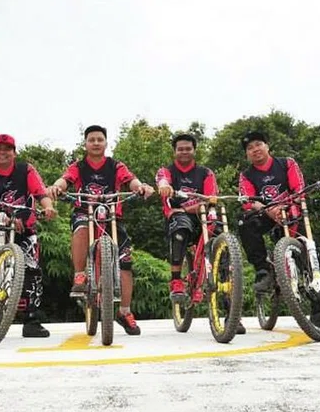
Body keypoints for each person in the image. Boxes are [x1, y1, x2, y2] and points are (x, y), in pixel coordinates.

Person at [46, 125, 154, 337]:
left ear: (106, 143)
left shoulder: (116, 165)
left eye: (99, 139)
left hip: (112, 216)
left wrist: (141, 187)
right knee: (81, 228)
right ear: (85, 144)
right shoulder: (78, 166)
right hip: (85, 212)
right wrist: (56, 187)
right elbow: (65, 180)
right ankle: (80, 275)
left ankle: (124, 311)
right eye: (91, 140)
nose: (96, 143)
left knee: (125, 261)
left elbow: (130, 180)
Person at [0, 134, 58, 338]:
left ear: (14, 153)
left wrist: (48, 207)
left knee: (33, 269)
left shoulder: (26, 170)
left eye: (7, 149)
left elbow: (41, 193)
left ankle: (32, 320)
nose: (2, 152)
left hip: (25, 228)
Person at [236, 131, 306, 294]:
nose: (255, 149)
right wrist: (269, 210)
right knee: (244, 221)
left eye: (258, 144)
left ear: (267, 146)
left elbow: (299, 189)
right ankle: (263, 270)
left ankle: (315, 289)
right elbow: (248, 201)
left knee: (306, 251)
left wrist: (285, 206)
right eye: (250, 148)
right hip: (266, 214)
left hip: (291, 210)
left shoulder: (287, 163)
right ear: (247, 154)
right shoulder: (246, 175)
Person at [154, 133, 219, 307]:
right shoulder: (166, 171)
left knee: (222, 235)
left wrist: (190, 207)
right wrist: (164, 186)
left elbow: (211, 197)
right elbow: (162, 181)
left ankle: (227, 284)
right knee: (180, 230)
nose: (184, 152)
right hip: (178, 216)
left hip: (201, 215)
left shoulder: (206, 173)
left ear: (194, 151)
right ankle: (176, 281)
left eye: (188, 149)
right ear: (174, 151)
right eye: (180, 149)